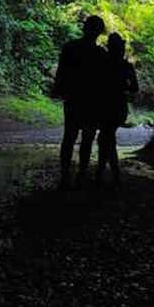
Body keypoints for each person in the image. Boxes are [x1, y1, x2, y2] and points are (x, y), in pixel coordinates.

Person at [51, 15, 108, 190]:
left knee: (69, 136)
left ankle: (65, 175)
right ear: (99, 32)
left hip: (74, 98)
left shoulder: (70, 47)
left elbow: (62, 72)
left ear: (84, 28)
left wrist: (58, 89)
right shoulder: (100, 54)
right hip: (91, 101)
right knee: (87, 138)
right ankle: (80, 174)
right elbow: (103, 82)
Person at [95, 33, 138, 188]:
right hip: (118, 106)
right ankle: (111, 173)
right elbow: (134, 88)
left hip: (106, 105)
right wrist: (121, 86)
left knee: (105, 138)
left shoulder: (102, 63)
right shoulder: (126, 66)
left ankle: (106, 172)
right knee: (107, 137)